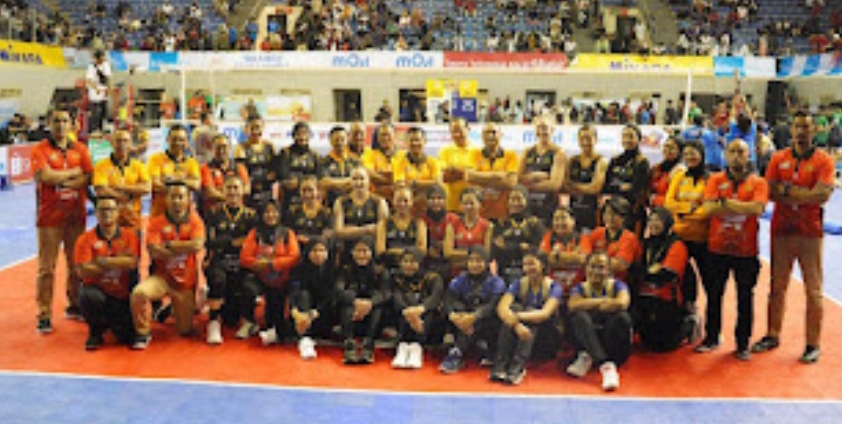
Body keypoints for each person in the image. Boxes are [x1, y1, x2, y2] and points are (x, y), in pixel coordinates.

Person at [752, 111, 835, 363]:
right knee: (777, 287)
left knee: (814, 291)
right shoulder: (779, 158)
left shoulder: (824, 161)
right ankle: (772, 334)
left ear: (814, 130)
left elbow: (822, 195)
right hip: (782, 231)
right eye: (797, 126)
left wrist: (787, 191)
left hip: (810, 232)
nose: (801, 131)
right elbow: (770, 191)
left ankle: (812, 343)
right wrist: (804, 193)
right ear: (791, 130)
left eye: (806, 127)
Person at [693, 140, 768, 359]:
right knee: (713, 294)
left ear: (749, 154)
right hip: (717, 248)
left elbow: (758, 208)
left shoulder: (758, 182)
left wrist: (724, 203)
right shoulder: (715, 179)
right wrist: (743, 207)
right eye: (732, 151)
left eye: (741, 152)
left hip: (746, 251)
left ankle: (742, 344)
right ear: (726, 155)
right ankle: (711, 337)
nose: (736, 156)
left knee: (745, 297)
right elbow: (709, 208)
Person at [32, 108, 94, 333]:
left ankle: (75, 305)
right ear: (49, 123)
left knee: (76, 264)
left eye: (64, 120)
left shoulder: (80, 149)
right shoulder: (40, 149)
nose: (60, 125)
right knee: (46, 268)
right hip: (49, 217)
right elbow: (43, 176)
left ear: (71, 124)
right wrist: (72, 174)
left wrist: (62, 179)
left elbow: (89, 176)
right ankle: (44, 314)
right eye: (56, 121)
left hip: (75, 216)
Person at [131, 181, 205, 349]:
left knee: (185, 330)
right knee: (139, 293)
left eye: (181, 197)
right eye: (173, 197)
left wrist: (169, 245)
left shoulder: (195, 221)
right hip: (162, 279)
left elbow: (197, 245)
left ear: (188, 199)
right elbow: (154, 251)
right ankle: (142, 333)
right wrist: (184, 247)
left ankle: (172, 307)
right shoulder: (156, 223)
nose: (177, 201)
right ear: (166, 199)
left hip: (185, 283)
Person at [74, 195, 140, 350]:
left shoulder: (130, 235)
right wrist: (118, 262)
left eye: (110, 209)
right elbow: (83, 270)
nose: (107, 213)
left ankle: (115, 324)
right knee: (87, 295)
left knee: (125, 337)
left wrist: (103, 261)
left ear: (117, 212)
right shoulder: (85, 239)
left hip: (122, 296)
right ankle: (95, 333)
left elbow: (132, 263)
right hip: (98, 293)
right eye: (102, 210)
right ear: (96, 213)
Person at [566, 251, 632, 391]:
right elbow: (573, 305)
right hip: (588, 343)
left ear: (608, 270)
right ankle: (604, 365)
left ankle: (601, 360)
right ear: (586, 269)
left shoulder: (618, 285)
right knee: (579, 317)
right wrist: (603, 301)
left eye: (601, 267)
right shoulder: (579, 288)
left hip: (613, 348)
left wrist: (588, 304)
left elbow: (622, 303)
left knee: (622, 317)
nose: (596, 271)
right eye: (592, 266)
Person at [493, 252, 562, 385]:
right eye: (525, 264)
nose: (528, 268)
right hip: (521, 333)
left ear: (542, 265)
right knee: (513, 309)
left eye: (532, 264)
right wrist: (516, 324)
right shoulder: (518, 283)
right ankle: (501, 365)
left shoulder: (554, 287)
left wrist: (517, 317)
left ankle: (517, 367)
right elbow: (502, 307)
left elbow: (545, 314)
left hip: (546, 336)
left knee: (528, 312)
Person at [203, 176, 258, 344]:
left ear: (243, 191)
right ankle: (213, 321)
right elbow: (209, 241)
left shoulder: (251, 215)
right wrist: (233, 242)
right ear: (222, 190)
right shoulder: (213, 213)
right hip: (220, 259)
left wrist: (225, 241)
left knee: (248, 287)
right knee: (217, 279)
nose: (233, 192)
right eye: (229, 188)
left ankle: (249, 320)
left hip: (243, 261)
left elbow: (253, 242)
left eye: (236, 188)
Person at [239, 201, 301, 341]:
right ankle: (248, 321)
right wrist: (257, 264)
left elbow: (294, 257)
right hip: (260, 277)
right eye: (267, 212)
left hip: (281, 280)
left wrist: (272, 264)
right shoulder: (255, 233)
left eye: (274, 211)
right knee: (247, 285)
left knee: (274, 322)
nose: (271, 215)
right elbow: (244, 258)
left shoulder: (287, 233)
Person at [635, 207, 693, 352]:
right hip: (644, 296)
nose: (653, 224)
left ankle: (689, 324)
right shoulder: (645, 244)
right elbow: (634, 271)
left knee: (665, 346)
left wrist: (646, 272)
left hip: (666, 299)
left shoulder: (677, 244)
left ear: (667, 223)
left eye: (658, 221)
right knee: (646, 340)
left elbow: (666, 275)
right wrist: (650, 271)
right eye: (651, 220)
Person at [440, 246, 506, 374]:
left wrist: (474, 316)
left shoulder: (496, 282)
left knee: (488, 317)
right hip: (463, 321)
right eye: (471, 260)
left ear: (486, 262)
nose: (475, 264)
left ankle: (457, 352)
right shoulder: (460, 279)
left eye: (479, 261)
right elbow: (448, 300)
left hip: (486, 321)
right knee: (456, 310)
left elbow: (492, 305)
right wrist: (453, 315)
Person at [664, 140, 710, 314]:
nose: (690, 157)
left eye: (693, 153)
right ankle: (684, 312)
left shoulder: (710, 179)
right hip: (680, 236)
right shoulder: (679, 176)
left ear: (701, 155)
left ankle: (711, 324)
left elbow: (707, 210)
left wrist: (683, 213)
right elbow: (669, 203)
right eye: (687, 154)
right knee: (680, 277)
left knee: (710, 282)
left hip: (702, 238)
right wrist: (688, 208)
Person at [335, 237, 391, 364]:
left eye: (365, 251)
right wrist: (355, 301)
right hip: (351, 315)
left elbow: (386, 293)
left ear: (371, 252)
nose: (361, 255)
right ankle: (349, 344)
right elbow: (338, 290)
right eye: (358, 251)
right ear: (352, 252)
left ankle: (368, 345)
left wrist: (369, 303)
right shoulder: (345, 269)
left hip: (373, 317)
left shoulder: (380, 271)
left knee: (378, 305)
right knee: (346, 301)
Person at [391, 248, 444, 369]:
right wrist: (409, 313)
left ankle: (417, 347)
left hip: (428, 321)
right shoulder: (397, 277)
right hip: (405, 317)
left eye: (413, 262)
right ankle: (402, 347)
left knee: (428, 310)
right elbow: (396, 297)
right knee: (405, 304)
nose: (408, 265)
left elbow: (435, 298)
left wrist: (420, 309)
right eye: (405, 261)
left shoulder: (433, 277)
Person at [288, 237, 338, 358]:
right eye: (314, 250)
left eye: (322, 250)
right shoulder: (299, 269)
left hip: (324, 312)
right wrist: (294, 311)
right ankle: (305, 339)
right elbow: (294, 291)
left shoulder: (334, 271)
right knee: (303, 295)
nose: (318, 254)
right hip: (303, 311)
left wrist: (316, 312)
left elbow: (332, 296)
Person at [93, 129, 151, 229]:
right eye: (118, 141)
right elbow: (101, 190)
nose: (122, 144)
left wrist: (120, 187)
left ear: (130, 144)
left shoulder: (139, 166)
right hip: (109, 220)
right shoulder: (101, 166)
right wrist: (124, 196)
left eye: (125, 141)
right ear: (112, 143)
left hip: (133, 219)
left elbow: (147, 188)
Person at [334, 167, 389, 265]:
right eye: (355, 179)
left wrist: (350, 230)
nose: (358, 183)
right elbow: (339, 232)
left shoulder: (380, 202)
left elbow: (381, 232)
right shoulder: (340, 202)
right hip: (348, 248)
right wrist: (366, 230)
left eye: (362, 178)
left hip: (371, 249)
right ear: (350, 182)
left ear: (368, 181)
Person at [466, 123, 519, 222]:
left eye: (494, 132)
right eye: (487, 133)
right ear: (482, 136)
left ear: (500, 135)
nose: (490, 136)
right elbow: (469, 176)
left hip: (503, 214)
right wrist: (496, 175)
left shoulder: (511, 155)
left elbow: (511, 182)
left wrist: (480, 179)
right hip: (479, 214)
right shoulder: (474, 153)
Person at [492, 186, 545, 285]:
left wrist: (508, 246)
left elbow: (536, 251)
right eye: (512, 199)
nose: (515, 203)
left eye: (519, 199)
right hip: (505, 270)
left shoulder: (535, 224)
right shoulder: (502, 223)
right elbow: (496, 250)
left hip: (529, 272)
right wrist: (519, 247)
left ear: (527, 200)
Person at [603, 124, 650, 237]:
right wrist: (622, 186)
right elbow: (606, 186)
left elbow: (636, 189)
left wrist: (617, 186)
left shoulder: (642, 162)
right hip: (614, 210)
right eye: (624, 136)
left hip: (633, 211)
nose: (627, 140)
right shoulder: (615, 160)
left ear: (639, 139)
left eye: (631, 136)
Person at [519, 117, 566, 226]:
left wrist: (529, 184)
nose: (542, 131)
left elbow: (554, 185)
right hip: (529, 205)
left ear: (552, 130)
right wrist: (539, 176)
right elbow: (519, 178)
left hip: (548, 206)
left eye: (545, 128)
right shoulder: (527, 152)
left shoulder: (558, 153)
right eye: (539, 128)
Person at [147, 124, 201, 217]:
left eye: (181, 140)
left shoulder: (192, 162)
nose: (177, 143)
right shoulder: (155, 159)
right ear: (167, 139)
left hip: (185, 216)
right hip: (160, 214)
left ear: (187, 142)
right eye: (174, 139)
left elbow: (196, 185)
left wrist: (171, 180)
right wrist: (184, 182)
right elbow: (155, 184)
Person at [540, 206, 592, 300]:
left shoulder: (582, 238)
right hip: (552, 289)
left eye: (563, 218)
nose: (560, 222)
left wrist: (556, 257)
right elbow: (544, 260)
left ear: (573, 221)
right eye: (556, 219)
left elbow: (582, 259)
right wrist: (572, 257)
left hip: (577, 290)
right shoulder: (548, 237)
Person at [588, 197, 641, 283]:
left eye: (614, 214)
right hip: (595, 280)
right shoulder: (597, 232)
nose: (609, 217)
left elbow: (619, 266)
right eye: (607, 213)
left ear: (624, 217)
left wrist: (591, 262)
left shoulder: (629, 238)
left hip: (619, 283)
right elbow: (583, 256)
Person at [565, 125, 607, 232]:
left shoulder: (600, 161)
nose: (585, 142)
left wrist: (574, 186)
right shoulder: (572, 161)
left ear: (595, 139)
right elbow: (565, 185)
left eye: (588, 138)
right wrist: (586, 187)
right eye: (582, 138)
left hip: (592, 212)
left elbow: (595, 188)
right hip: (574, 210)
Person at [443, 189, 494, 277]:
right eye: (465, 203)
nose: (468, 207)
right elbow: (447, 253)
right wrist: (474, 255)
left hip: (480, 272)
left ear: (480, 205)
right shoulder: (452, 225)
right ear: (460, 205)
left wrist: (460, 257)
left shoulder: (487, 226)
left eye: (471, 203)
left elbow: (486, 254)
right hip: (456, 273)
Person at [391, 127, 441, 216]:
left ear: (424, 141)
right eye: (411, 140)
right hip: (408, 209)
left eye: (418, 140)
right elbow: (400, 184)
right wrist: (426, 186)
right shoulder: (399, 161)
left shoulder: (433, 162)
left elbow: (438, 183)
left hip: (430, 208)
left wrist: (414, 183)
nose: (414, 143)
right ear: (406, 142)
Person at [376, 187, 427, 274]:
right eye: (399, 200)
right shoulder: (384, 223)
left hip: (412, 268)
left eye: (405, 201)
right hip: (390, 266)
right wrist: (408, 252)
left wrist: (395, 251)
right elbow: (380, 251)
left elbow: (422, 250)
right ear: (393, 201)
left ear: (411, 202)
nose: (402, 204)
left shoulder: (419, 223)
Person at [200, 134, 250, 218]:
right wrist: (234, 196)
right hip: (214, 214)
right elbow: (210, 192)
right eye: (218, 147)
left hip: (239, 213)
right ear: (212, 149)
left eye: (224, 147)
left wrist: (220, 189)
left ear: (230, 148)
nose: (221, 150)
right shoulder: (205, 168)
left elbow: (247, 189)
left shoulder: (239, 167)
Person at [277, 121, 321, 211]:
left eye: (305, 134)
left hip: (310, 195)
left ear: (309, 136)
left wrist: (301, 182)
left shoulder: (314, 155)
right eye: (299, 134)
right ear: (294, 136)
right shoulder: (285, 153)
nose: (302, 137)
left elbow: (319, 176)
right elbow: (283, 175)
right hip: (290, 197)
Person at [283, 176, 334, 254]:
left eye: (310, 190)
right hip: (297, 251)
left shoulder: (326, 213)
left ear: (318, 191)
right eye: (304, 190)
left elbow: (327, 237)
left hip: (319, 253)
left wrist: (309, 239)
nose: (307, 194)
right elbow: (288, 235)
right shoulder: (293, 211)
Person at [235, 115, 276, 208]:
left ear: (263, 128)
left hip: (267, 191)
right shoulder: (241, 148)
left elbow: (274, 173)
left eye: (258, 127)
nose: (255, 131)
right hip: (249, 193)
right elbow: (241, 173)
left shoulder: (269, 146)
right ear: (246, 129)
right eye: (252, 128)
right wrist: (261, 178)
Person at [421, 184, 458, 277]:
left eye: (439, 198)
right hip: (428, 260)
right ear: (426, 200)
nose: (435, 202)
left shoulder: (453, 219)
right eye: (432, 198)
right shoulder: (422, 219)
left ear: (445, 200)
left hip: (448, 259)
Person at [320, 126, 362, 207]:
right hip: (331, 205)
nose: (339, 143)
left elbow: (360, 181)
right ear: (330, 141)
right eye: (336, 140)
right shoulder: (323, 162)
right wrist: (350, 181)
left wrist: (334, 183)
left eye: (342, 139)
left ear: (347, 139)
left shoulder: (356, 161)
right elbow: (325, 183)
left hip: (353, 204)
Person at [439, 118, 474, 212]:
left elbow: (477, 177)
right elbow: (444, 177)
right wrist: (466, 173)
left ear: (468, 129)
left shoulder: (477, 152)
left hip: (471, 206)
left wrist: (455, 172)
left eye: (460, 130)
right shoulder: (445, 152)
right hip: (451, 205)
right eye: (454, 131)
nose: (457, 134)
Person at [362, 123, 399, 201]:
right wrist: (390, 179)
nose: (385, 138)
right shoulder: (369, 154)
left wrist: (379, 177)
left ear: (395, 136)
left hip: (398, 199)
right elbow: (369, 174)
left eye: (388, 135)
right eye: (382, 135)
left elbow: (404, 178)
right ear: (377, 138)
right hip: (375, 197)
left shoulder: (402, 155)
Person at [648, 135, 684, 207]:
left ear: (680, 152)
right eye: (666, 146)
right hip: (653, 207)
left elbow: (677, 199)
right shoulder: (656, 168)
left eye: (672, 148)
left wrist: (654, 199)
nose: (667, 150)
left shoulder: (681, 171)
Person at [86, 50, 111, 133]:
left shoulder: (106, 65)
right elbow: (89, 80)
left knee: (104, 110)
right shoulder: (91, 67)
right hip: (95, 91)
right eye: (101, 58)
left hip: (104, 89)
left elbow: (108, 77)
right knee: (95, 111)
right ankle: (94, 128)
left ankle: (102, 128)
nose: (102, 60)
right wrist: (96, 88)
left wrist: (109, 88)